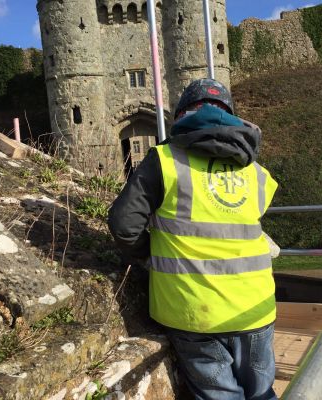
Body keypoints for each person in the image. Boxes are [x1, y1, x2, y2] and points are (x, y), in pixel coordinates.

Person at [108, 78, 278, 400]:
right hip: (256, 309)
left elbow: (123, 224)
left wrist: (149, 255)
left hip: (195, 313)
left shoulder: (164, 160)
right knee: (262, 394)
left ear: (182, 114)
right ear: (230, 114)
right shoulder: (257, 173)